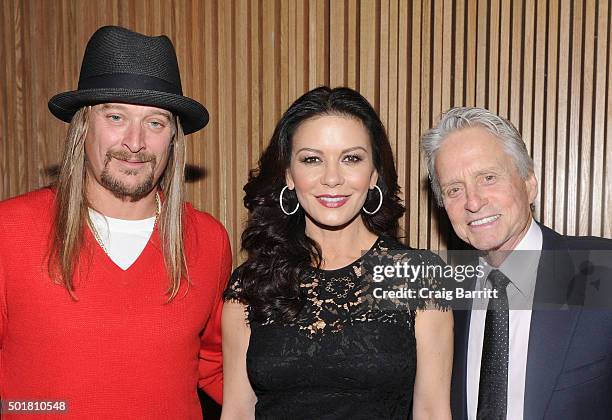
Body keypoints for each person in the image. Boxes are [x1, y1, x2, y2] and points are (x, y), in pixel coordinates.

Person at [0, 26, 231, 419]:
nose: (135, 142)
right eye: (117, 116)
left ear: (173, 138)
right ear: (83, 126)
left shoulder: (208, 240)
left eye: (155, 123)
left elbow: (217, 366)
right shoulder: (10, 231)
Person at [221, 86, 453, 419]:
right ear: (288, 173)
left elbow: (432, 411)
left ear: (374, 174)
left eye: (351, 158)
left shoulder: (420, 276)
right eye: (312, 159)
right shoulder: (250, 286)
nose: (332, 178)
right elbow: (238, 412)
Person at [421, 107, 612, 420]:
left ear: (529, 183)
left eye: (488, 178)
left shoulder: (603, 273)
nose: (472, 202)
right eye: (454, 189)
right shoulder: (440, 294)